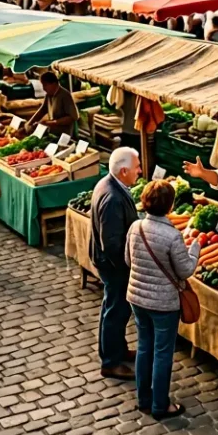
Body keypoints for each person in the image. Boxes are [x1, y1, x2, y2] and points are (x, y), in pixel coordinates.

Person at [125, 179, 200, 419]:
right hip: (163, 304)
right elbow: (186, 270)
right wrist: (195, 251)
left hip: (137, 298)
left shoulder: (135, 227)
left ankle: (143, 399)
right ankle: (160, 405)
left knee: (144, 347)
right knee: (163, 353)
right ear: (170, 206)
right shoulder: (172, 235)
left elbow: (128, 260)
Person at [89, 147, 141, 380]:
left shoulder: (112, 184)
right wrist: (127, 267)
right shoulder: (112, 197)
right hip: (114, 264)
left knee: (116, 309)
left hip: (111, 261)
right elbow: (111, 243)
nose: (140, 171)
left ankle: (118, 350)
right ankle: (109, 361)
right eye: (136, 167)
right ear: (123, 171)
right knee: (115, 311)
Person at [25, 71, 78, 139]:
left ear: (54, 84)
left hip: (64, 135)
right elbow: (43, 109)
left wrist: (50, 123)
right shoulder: (48, 95)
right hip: (52, 132)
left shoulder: (65, 95)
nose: (43, 88)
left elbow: (73, 117)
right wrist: (29, 123)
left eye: (45, 85)